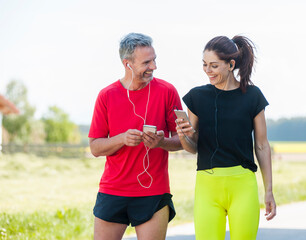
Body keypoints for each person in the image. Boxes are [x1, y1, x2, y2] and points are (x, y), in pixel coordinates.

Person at [176, 35, 276, 240]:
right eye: (204, 65)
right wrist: (184, 136)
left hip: (243, 185)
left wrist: (269, 190)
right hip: (207, 186)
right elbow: (192, 147)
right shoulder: (196, 97)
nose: (207, 70)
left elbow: (262, 146)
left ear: (231, 64)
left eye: (214, 65)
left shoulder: (252, 96)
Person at [88, 32, 183, 240]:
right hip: (113, 190)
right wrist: (121, 139)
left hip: (153, 191)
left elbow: (183, 140)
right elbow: (95, 147)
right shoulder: (107, 95)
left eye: (154, 60)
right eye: (147, 62)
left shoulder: (168, 91)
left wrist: (162, 142)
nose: (154, 67)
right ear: (127, 64)